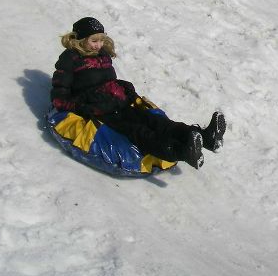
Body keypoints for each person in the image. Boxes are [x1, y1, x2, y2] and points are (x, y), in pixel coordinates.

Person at [50, 17, 226, 169]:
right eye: (94, 41)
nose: (99, 45)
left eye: (102, 40)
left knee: (156, 121)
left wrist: (123, 88)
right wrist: (81, 107)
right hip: (99, 111)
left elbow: (106, 80)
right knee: (138, 131)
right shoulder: (69, 60)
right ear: (81, 40)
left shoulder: (102, 54)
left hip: (119, 102)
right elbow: (59, 97)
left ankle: (206, 137)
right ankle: (181, 151)